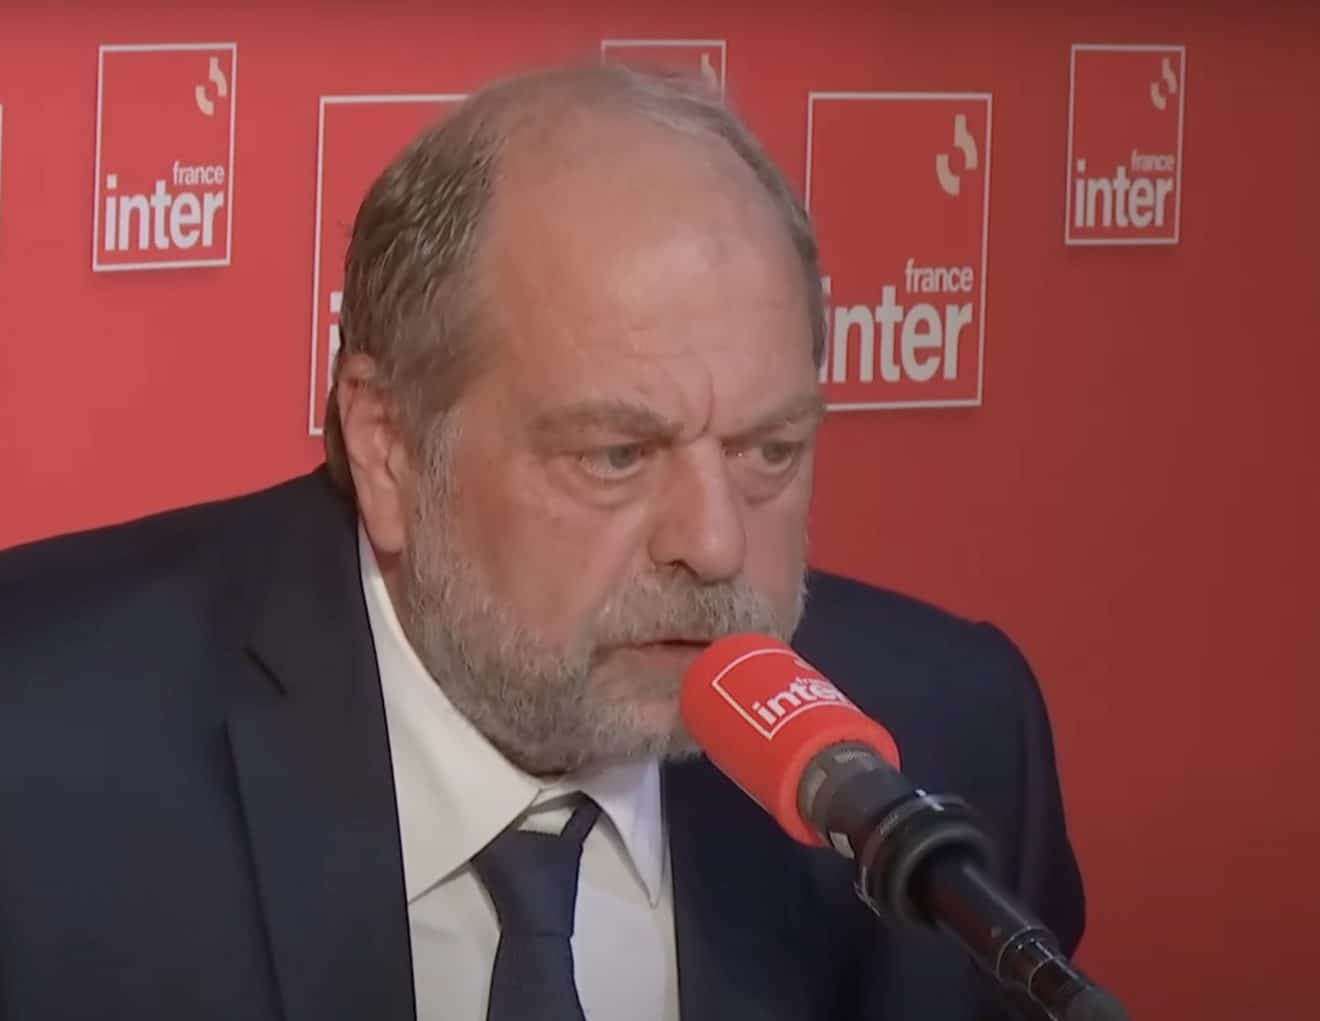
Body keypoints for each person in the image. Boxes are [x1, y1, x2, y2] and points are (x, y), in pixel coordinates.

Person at [0, 65, 1083, 1020]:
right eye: (616, 455)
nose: (715, 545)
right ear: (388, 448)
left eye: (770, 450)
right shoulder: (43, 750)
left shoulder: (946, 744)